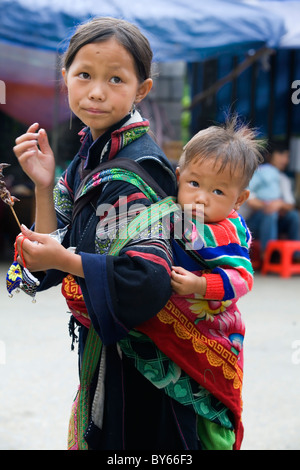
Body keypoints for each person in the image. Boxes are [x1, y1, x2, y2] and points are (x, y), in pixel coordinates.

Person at [10, 17, 196, 451]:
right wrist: (42, 183)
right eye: (85, 75)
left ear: (142, 90)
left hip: (145, 377)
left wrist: (63, 260)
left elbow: (142, 282)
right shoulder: (87, 159)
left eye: (116, 79)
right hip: (109, 364)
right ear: (65, 78)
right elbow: (46, 262)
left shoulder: (132, 173)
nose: (96, 91)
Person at [138, 116, 264, 450]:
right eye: (194, 183)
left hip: (214, 332)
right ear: (178, 177)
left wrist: (200, 285)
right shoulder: (167, 212)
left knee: (209, 423)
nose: (202, 197)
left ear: (239, 199)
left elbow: (242, 278)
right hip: (168, 332)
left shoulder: (226, 232)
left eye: (219, 191)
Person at [244, 141, 300, 254]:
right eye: (280, 155)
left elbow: (290, 204)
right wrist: (267, 205)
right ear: (269, 156)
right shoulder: (257, 173)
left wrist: (279, 204)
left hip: (277, 221)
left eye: (287, 156)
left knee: (294, 216)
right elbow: (249, 198)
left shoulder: (284, 179)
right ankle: (268, 255)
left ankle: (296, 255)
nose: (285, 160)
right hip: (253, 223)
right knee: (270, 214)